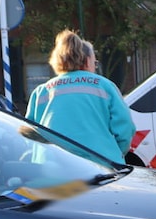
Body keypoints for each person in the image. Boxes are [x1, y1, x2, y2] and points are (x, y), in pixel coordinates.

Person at [25, 30, 135, 162]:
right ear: (87, 60)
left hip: (51, 166)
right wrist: (114, 152)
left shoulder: (41, 91)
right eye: (95, 62)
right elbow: (125, 128)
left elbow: (29, 133)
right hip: (99, 165)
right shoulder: (105, 86)